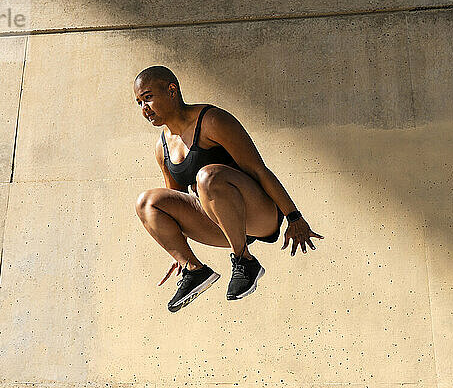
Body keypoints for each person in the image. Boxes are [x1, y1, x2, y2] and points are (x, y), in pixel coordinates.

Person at [134, 66, 323, 313]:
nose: (144, 108)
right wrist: (176, 250)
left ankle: (244, 261)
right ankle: (194, 271)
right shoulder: (162, 147)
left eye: (148, 97)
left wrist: (294, 217)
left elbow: (258, 170)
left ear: (171, 90)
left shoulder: (211, 121)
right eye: (139, 102)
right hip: (219, 223)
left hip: (258, 214)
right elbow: (177, 201)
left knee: (207, 177)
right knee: (146, 202)